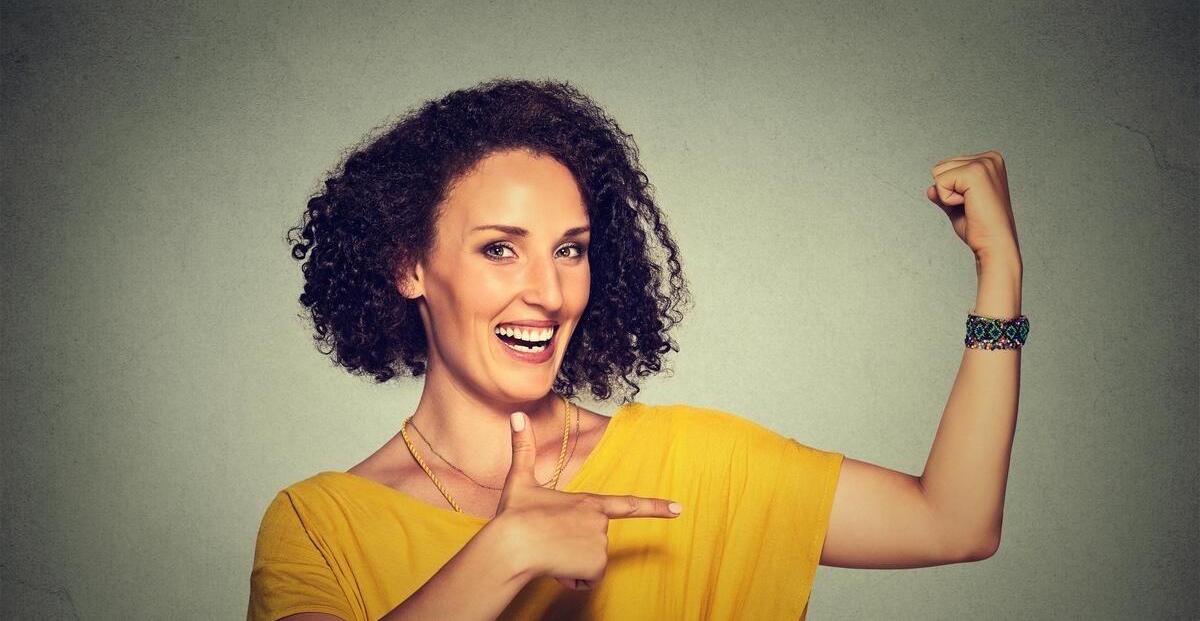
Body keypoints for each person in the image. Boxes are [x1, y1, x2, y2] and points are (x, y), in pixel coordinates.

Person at [247, 79, 1028, 621]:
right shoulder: (319, 524)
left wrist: (1001, 271)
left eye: (571, 250)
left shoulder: (690, 464)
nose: (548, 292)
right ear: (409, 265)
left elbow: (952, 520)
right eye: (499, 249)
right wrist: (506, 550)